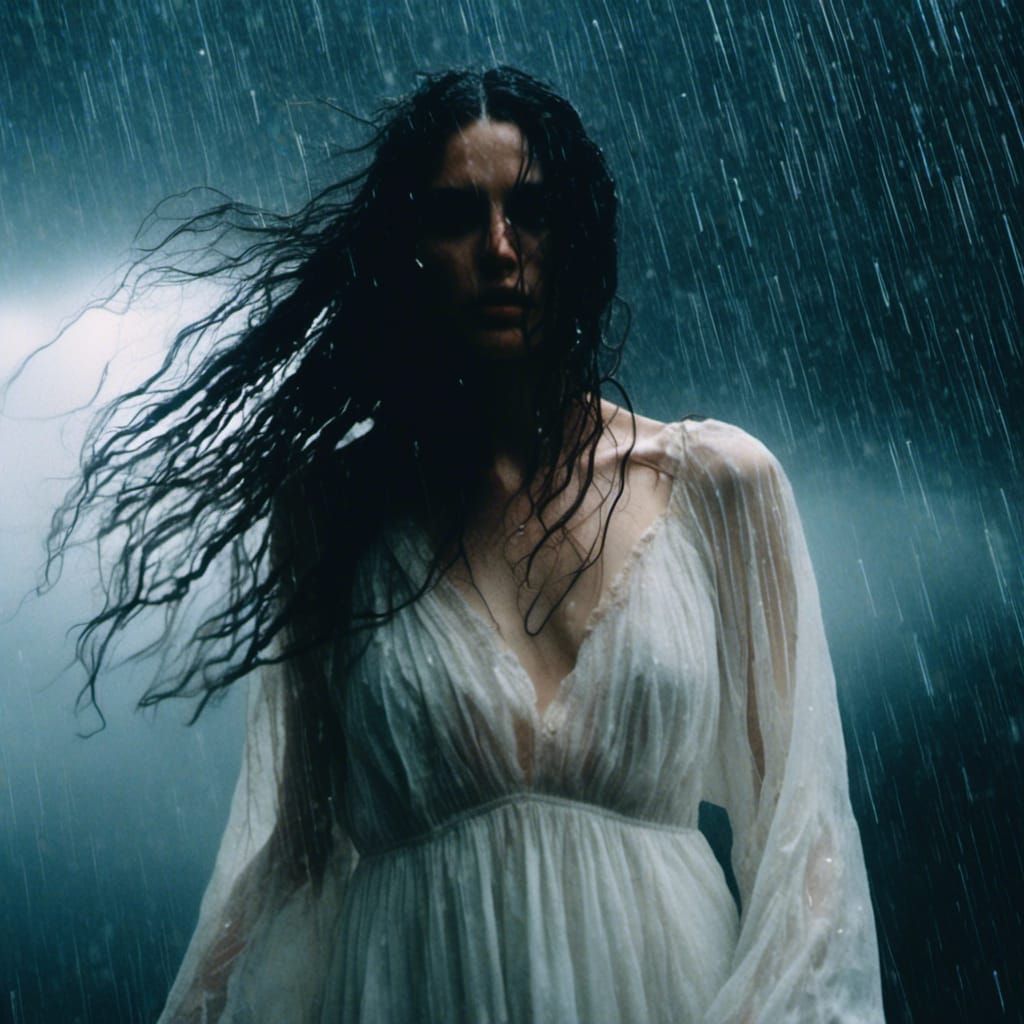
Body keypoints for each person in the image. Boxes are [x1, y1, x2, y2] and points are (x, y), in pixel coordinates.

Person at [51, 67, 882, 1021]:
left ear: (575, 237)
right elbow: (302, 858)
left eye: (530, 209)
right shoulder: (333, 514)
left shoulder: (719, 486)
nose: (499, 248)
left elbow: (806, 845)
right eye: (456, 216)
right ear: (407, 250)